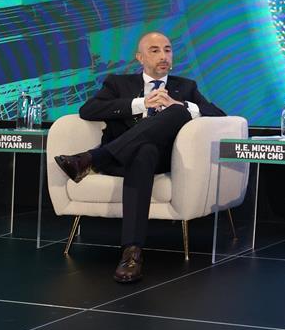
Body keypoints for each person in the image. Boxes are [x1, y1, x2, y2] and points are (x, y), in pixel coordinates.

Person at [53, 32, 225, 283]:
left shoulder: (186, 87)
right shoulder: (118, 84)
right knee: (143, 151)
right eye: (155, 50)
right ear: (140, 58)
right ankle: (131, 253)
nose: (163, 56)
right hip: (121, 160)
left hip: (162, 160)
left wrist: (180, 104)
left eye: (167, 50)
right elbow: (88, 110)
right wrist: (141, 104)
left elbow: (219, 115)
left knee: (176, 115)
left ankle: (92, 159)